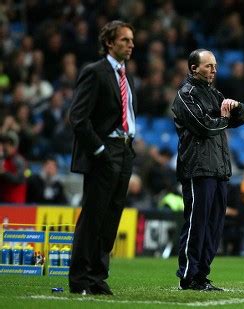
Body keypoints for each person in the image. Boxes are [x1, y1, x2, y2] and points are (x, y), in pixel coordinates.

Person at [68, 20, 137, 296]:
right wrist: (98, 150)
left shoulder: (125, 75)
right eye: (124, 40)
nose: (131, 45)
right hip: (104, 151)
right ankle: (80, 278)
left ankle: (97, 276)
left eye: (131, 40)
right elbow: (78, 117)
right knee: (93, 216)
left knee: (111, 217)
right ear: (109, 43)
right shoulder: (94, 72)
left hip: (124, 150)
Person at [172, 49, 244, 291]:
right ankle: (188, 275)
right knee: (197, 223)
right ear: (194, 68)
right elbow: (204, 126)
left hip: (218, 169)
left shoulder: (214, 93)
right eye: (208, 66)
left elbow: (242, 118)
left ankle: (201, 275)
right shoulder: (185, 94)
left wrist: (236, 106)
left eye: (215, 66)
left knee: (214, 226)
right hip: (198, 168)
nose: (213, 70)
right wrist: (225, 118)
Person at [0, 131, 27, 203]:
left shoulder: (19, 160)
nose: (6, 147)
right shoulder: (2, 159)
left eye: (9, 144)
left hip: (16, 204)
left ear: (15, 146)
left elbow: (18, 179)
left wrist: (4, 173)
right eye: (4, 144)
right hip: (3, 203)